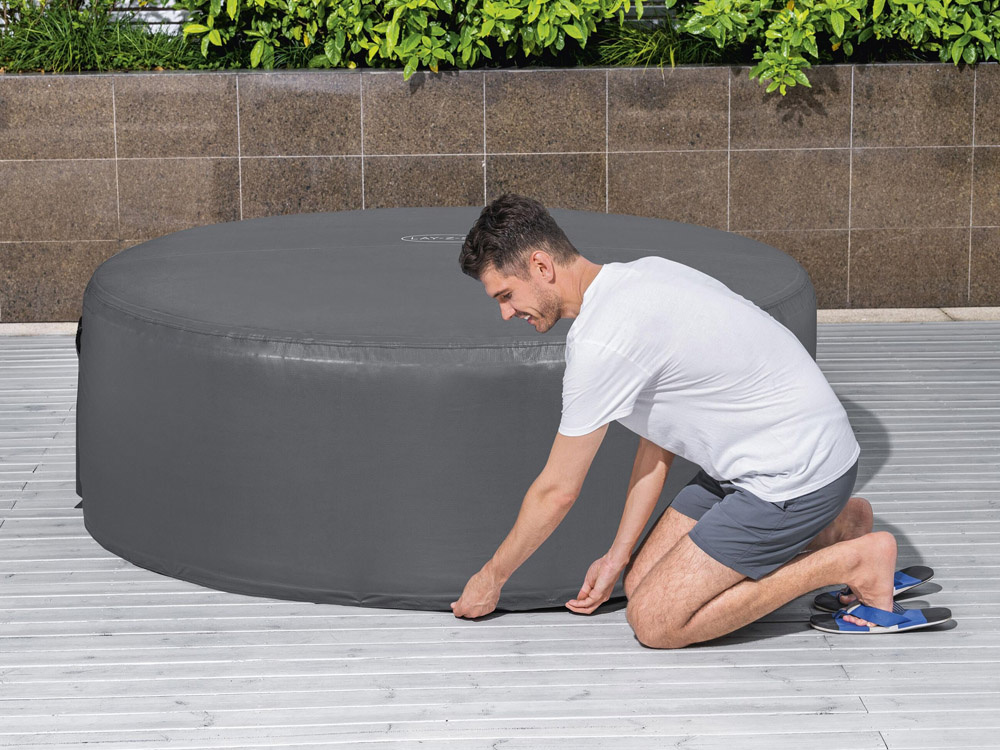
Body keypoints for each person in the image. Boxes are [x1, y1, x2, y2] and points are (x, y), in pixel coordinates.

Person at [450, 194, 950, 645]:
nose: (506, 313)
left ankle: (855, 560)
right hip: (778, 455)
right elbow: (658, 440)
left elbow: (557, 491)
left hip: (793, 476)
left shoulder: (601, 341)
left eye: (505, 295)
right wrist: (618, 554)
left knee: (655, 621)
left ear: (541, 265)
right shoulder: (645, 273)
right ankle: (841, 527)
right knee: (640, 583)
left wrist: (491, 579)